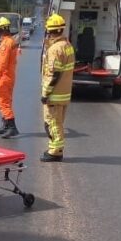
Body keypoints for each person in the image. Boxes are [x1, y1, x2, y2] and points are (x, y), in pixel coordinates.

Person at [40, 13, 76, 162]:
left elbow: (53, 74)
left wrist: (45, 93)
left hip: (54, 94)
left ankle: (55, 151)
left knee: (52, 123)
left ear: (50, 30)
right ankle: (55, 148)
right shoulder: (67, 45)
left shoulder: (55, 49)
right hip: (64, 93)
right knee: (58, 123)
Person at [0, 16, 19, 139]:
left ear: (0, 30)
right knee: (6, 101)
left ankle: (12, 127)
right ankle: (6, 125)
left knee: (3, 102)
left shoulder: (5, 45)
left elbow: (2, 63)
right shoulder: (11, 41)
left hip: (4, 77)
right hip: (9, 75)